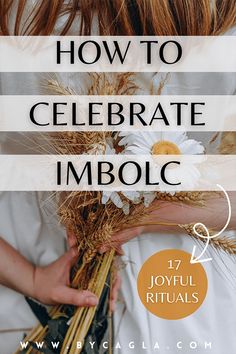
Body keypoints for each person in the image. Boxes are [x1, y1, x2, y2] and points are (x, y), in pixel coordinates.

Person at [0, 1, 236, 353]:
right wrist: (150, 212)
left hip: (34, 262)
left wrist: (29, 276)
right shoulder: (218, 13)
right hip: (180, 290)